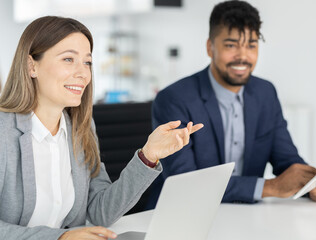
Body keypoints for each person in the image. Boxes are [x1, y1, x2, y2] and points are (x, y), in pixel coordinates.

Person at [0, 16, 203, 240]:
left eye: (87, 62)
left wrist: (149, 155)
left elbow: (101, 211)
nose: (83, 73)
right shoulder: (4, 131)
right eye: (68, 59)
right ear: (32, 66)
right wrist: (61, 237)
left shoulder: (80, 127)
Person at [150, 0, 316, 208]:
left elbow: (287, 161)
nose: (242, 56)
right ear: (210, 47)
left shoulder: (265, 93)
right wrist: (271, 187)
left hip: (246, 217)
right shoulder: (175, 99)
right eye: (231, 45)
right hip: (181, 215)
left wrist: (314, 184)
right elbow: (184, 184)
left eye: (251, 45)